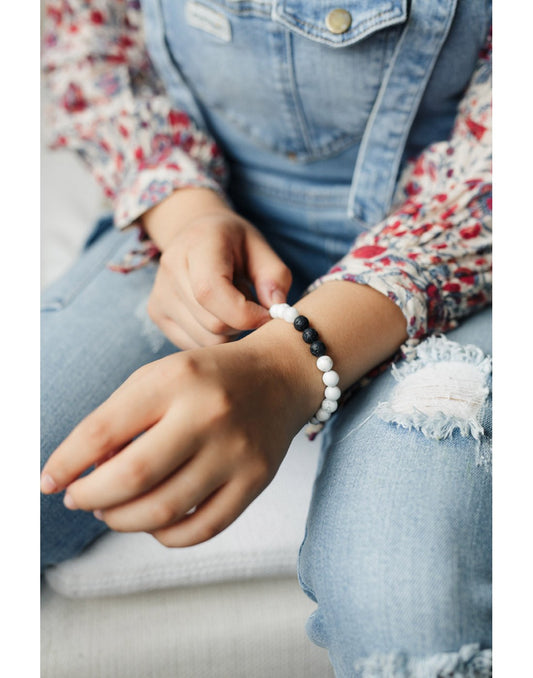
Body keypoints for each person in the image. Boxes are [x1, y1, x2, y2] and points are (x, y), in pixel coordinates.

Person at [40, 0, 492, 675]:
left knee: (406, 592)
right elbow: (90, 41)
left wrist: (287, 367)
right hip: (205, 217)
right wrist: (186, 215)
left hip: (465, 264)